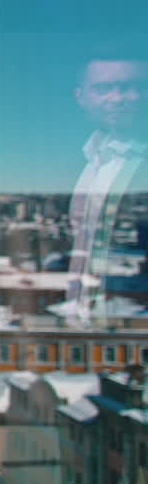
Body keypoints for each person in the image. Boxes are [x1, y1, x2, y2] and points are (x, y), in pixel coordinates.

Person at [67, 53, 148, 323]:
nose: (117, 98)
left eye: (130, 87)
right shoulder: (87, 162)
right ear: (82, 97)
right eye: (103, 89)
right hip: (91, 320)